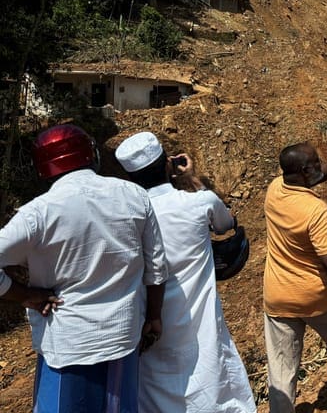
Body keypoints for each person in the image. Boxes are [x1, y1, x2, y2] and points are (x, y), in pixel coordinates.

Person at [0, 124, 168, 413]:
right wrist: (153, 316)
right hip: (122, 337)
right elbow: (156, 267)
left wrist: (24, 295)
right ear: (91, 154)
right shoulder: (134, 196)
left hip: (68, 344)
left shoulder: (38, 213)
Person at [115, 131, 255, 413]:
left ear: (131, 178)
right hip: (199, 325)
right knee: (215, 386)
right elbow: (226, 223)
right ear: (168, 164)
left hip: (151, 325)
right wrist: (191, 179)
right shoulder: (199, 202)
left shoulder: (125, 218)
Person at [263, 143, 327, 413]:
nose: (321, 165)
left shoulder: (275, 189)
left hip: (278, 296)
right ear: (305, 171)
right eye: (317, 162)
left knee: (281, 367)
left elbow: (315, 176)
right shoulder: (315, 209)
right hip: (318, 297)